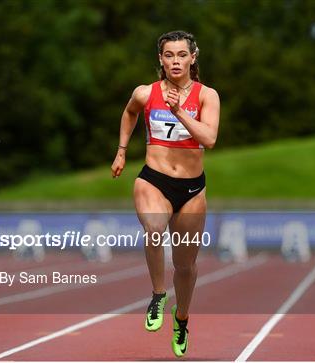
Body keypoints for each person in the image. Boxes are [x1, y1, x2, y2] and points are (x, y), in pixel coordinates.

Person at [111, 30, 220, 357]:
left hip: (191, 189)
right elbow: (129, 112)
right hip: (153, 180)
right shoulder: (145, 93)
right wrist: (121, 150)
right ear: (160, 59)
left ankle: (182, 318)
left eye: (181, 55)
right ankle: (159, 295)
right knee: (154, 230)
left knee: (185, 267)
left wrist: (179, 112)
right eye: (169, 55)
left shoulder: (206, 96)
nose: (175, 61)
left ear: (192, 57)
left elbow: (210, 139)